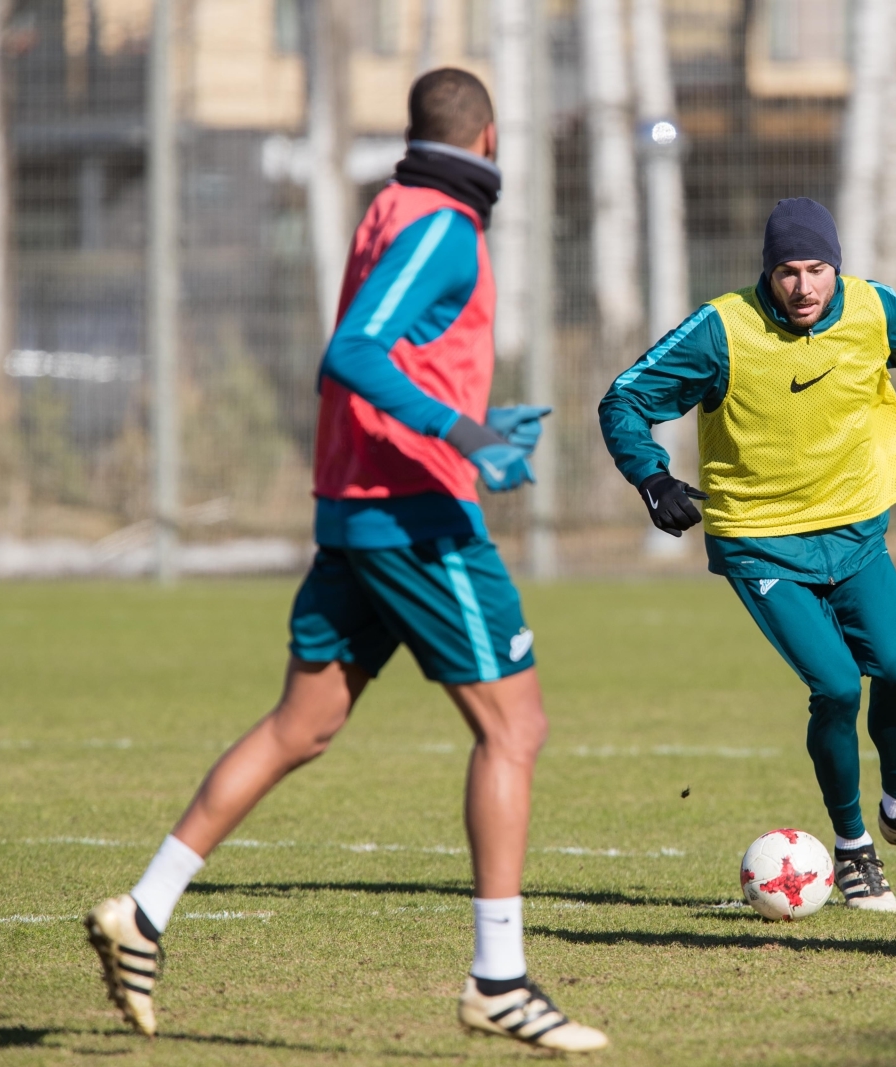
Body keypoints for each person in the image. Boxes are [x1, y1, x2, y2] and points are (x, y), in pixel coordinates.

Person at [83, 69, 608, 1052]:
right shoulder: (445, 224)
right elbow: (356, 352)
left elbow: (391, 356)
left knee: (304, 722)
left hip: (358, 507)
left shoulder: (391, 205)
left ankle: (143, 911)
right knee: (516, 726)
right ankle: (499, 978)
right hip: (413, 518)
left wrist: (478, 425)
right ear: (488, 140)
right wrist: (466, 434)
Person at [599, 198, 896, 912]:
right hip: (761, 540)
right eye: (786, 271)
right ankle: (854, 847)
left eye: (816, 269)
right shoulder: (724, 329)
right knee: (837, 686)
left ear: (837, 267)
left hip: (856, 533)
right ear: (766, 273)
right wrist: (650, 476)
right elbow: (623, 399)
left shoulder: (874, 309)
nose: (803, 287)